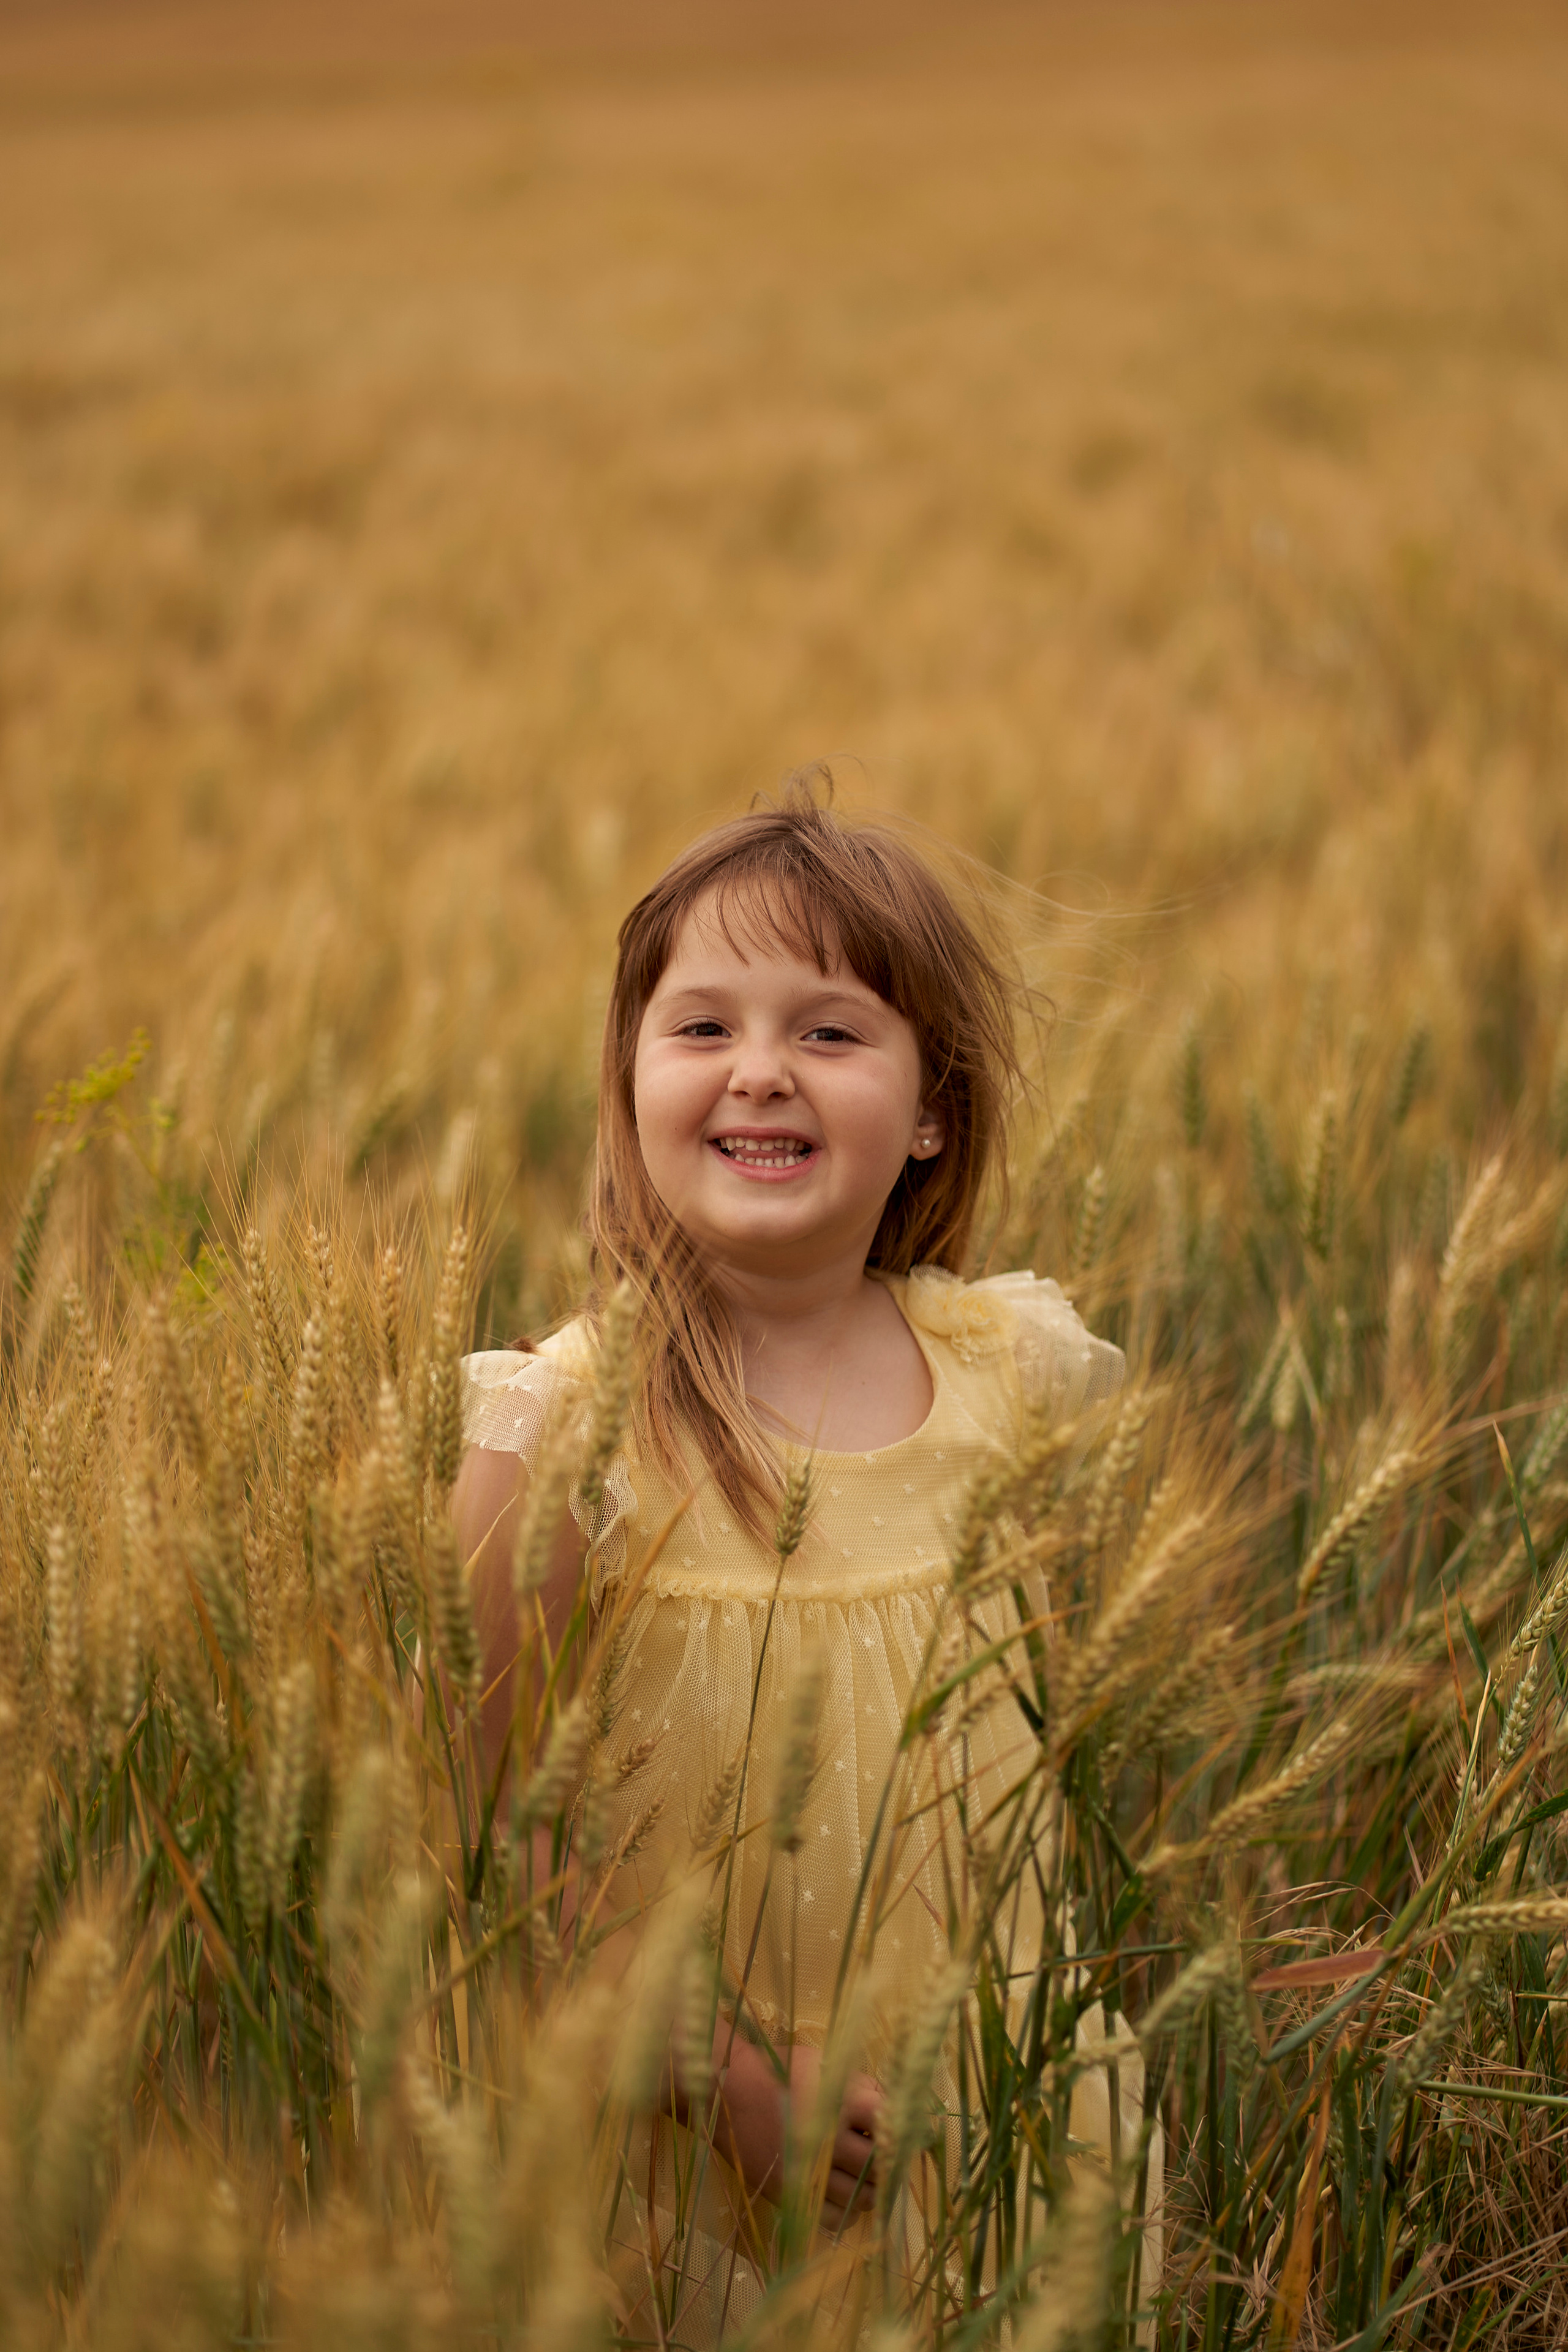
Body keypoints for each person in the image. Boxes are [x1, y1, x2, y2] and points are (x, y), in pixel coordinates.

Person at [453, 778, 1153, 2341]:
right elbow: (507, 1828)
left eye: (827, 1033)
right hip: (697, 2147)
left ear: (928, 1113)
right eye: (699, 1028)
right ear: (627, 1081)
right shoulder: (554, 1431)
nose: (758, 1072)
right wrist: (729, 2080)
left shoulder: (1011, 1379)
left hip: (989, 2112)